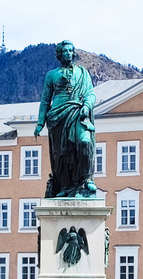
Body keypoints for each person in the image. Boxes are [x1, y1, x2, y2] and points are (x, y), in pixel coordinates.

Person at [33, 39, 98, 198]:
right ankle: (65, 186)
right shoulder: (52, 75)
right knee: (62, 154)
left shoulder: (83, 72)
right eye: (64, 51)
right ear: (59, 54)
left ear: (74, 53)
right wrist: (40, 123)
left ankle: (86, 179)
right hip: (57, 116)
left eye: (70, 50)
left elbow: (90, 93)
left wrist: (87, 106)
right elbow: (45, 100)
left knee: (84, 142)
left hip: (78, 112)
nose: (68, 53)